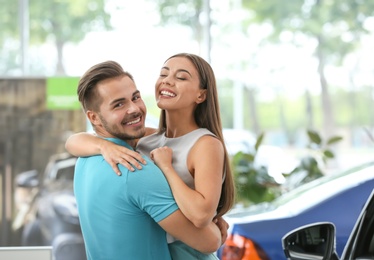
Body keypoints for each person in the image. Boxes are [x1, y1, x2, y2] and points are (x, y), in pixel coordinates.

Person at [66, 53, 235, 259]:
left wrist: (166, 167)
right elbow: (72, 142)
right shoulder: (146, 138)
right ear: (94, 117)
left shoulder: (205, 144)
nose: (167, 81)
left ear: (201, 95)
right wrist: (103, 146)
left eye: (181, 77)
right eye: (163, 74)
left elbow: (201, 217)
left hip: (190, 251)